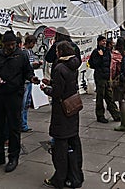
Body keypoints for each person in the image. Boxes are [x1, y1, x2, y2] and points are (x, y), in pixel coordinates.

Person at [0, 30, 40, 173]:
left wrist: (32, 77)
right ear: (3, 45)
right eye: (8, 45)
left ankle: (13, 157)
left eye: (13, 44)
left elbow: (28, 71)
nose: (11, 47)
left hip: (15, 95)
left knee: (14, 127)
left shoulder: (21, 55)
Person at [42, 41, 84, 189]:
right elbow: (66, 85)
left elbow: (57, 92)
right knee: (73, 143)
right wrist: (52, 82)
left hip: (62, 111)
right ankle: (75, 176)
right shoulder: (74, 65)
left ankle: (59, 179)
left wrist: (45, 89)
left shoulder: (59, 67)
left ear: (61, 52)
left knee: (60, 147)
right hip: (73, 108)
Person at [88, 35, 120, 123]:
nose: (104, 43)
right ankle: (100, 115)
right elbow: (93, 64)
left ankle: (116, 114)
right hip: (100, 77)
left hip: (106, 77)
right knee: (100, 97)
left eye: (105, 41)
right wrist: (100, 57)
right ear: (98, 42)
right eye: (102, 41)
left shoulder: (107, 51)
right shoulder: (96, 52)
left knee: (109, 96)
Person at [21, 35, 43, 132]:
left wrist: (36, 64)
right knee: (24, 103)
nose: (34, 45)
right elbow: (25, 66)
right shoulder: (24, 52)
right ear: (30, 43)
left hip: (29, 80)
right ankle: (22, 124)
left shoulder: (30, 52)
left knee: (26, 103)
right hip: (25, 81)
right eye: (33, 43)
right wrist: (33, 64)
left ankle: (23, 123)